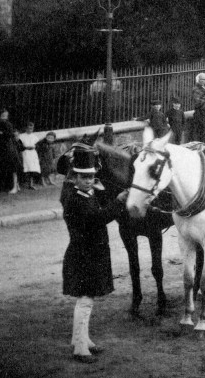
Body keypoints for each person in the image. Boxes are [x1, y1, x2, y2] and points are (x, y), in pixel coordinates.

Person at [61, 144, 122, 363]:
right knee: (85, 301)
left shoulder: (86, 195)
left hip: (90, 255)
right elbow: (98, 219)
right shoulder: (76, 200)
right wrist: (118, 202)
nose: (88, 180)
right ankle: (79, 346)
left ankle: (83, 339)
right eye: (83, 177)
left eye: (91, 177)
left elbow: (101, 208)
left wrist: (109, 196)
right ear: (74, 178)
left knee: (88, 300)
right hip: (83, 257)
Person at [0, 108, 20, 194]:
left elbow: (9, 134)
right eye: (2, 116)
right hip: (2, 147)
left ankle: (15, 186)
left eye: (6, 116)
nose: (4, 117)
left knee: (12, 167)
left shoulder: (7, 124)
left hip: (8, 147)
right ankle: (8, 186)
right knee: (5, 167)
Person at [18, 121, 41, 189]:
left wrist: (34, 147)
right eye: (28, 128)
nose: (30, 130)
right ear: (25, 128)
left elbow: (37, 145)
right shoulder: (21, 136)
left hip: (32, 153)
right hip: (25, 153)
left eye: (31, 128)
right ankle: (21, 184)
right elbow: (20, 145)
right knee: (25, 168)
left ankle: (31, 184)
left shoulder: (34, 136)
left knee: (32, 169)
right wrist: (25, 147)